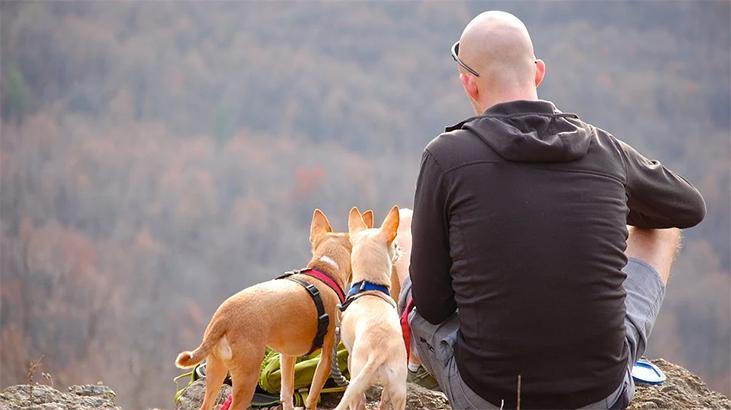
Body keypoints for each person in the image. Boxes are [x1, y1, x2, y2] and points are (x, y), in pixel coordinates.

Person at [406, 10, 706, 410]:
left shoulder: (445, 157)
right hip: (601, 396)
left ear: (469, 85)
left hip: (486, 396)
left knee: (409, 235)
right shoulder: (603, 150)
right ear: (539, 72)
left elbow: (432, 305)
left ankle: (407, 372)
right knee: (662, 228)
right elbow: (688, 207)